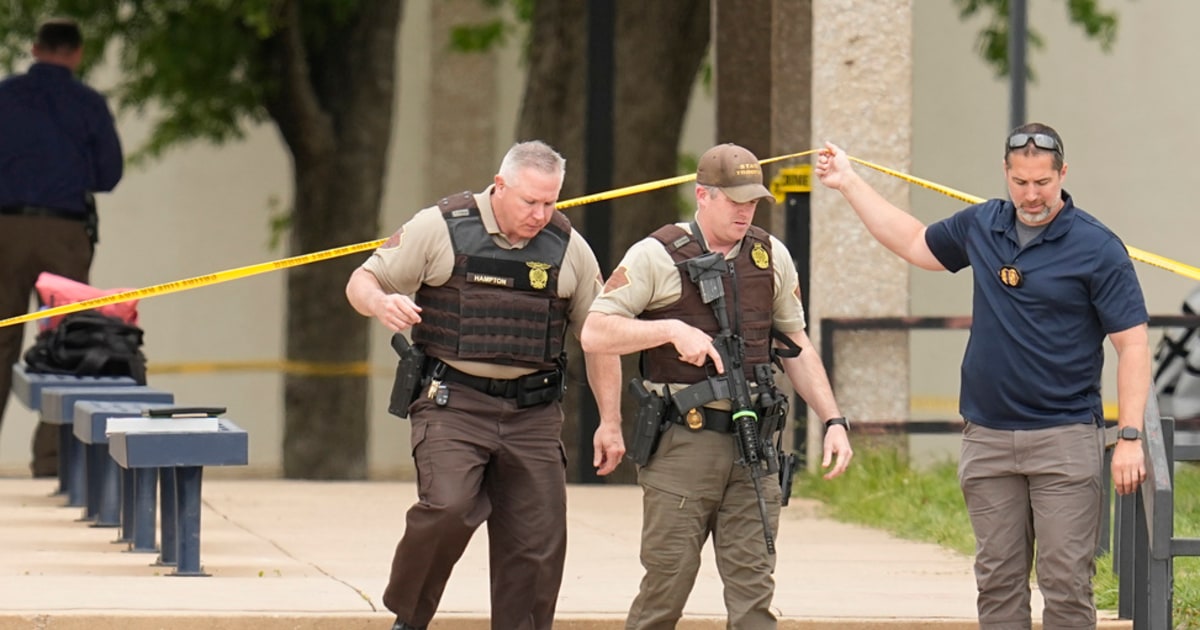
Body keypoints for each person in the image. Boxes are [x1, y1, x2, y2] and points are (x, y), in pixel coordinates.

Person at [816, 123, 1150, 630]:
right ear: (1005, 174)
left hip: (1064, 437)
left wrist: (1129, 437)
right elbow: (911, 241)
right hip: (988, 437)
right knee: (997, 582)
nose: (1031, 195)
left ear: (1063, 174)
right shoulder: (982, 226)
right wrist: (848, 181)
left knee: (1065, 583)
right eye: (1020, 183)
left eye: (1043, 183)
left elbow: (1134, 345)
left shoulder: (1097, 247)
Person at [345, 140, 625, 630]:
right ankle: (409, 618)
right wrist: (380, 304)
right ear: (500, 186)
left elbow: (598, 337)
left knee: (537, 540)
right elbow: (362, 280)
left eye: (550, 202)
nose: (541, 214)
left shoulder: (568, 248)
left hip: (534, 414)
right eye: (530, 202)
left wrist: (611, 421)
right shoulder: (441, 228)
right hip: (452, 404)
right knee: (449, 507)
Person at [581, 143, 854, 630]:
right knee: (666, 588)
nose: (745, 211)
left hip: (754, 449)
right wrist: (668, 330)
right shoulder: (656, 255)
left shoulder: (770, 255)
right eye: (734, 201)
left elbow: (797, 346)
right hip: (684, 444)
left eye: (752, 201)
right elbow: (595, 332)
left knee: (754, 597)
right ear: (702, 195)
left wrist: (833, 420)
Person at [0, 18, 124, 477]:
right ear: (77, 53)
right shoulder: (88, 103)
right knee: (64, 341)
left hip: (4, 230)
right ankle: (50, 459)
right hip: (64, 233)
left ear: (34, 49)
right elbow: (108, 174)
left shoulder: (4, 96)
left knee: (2, 334)